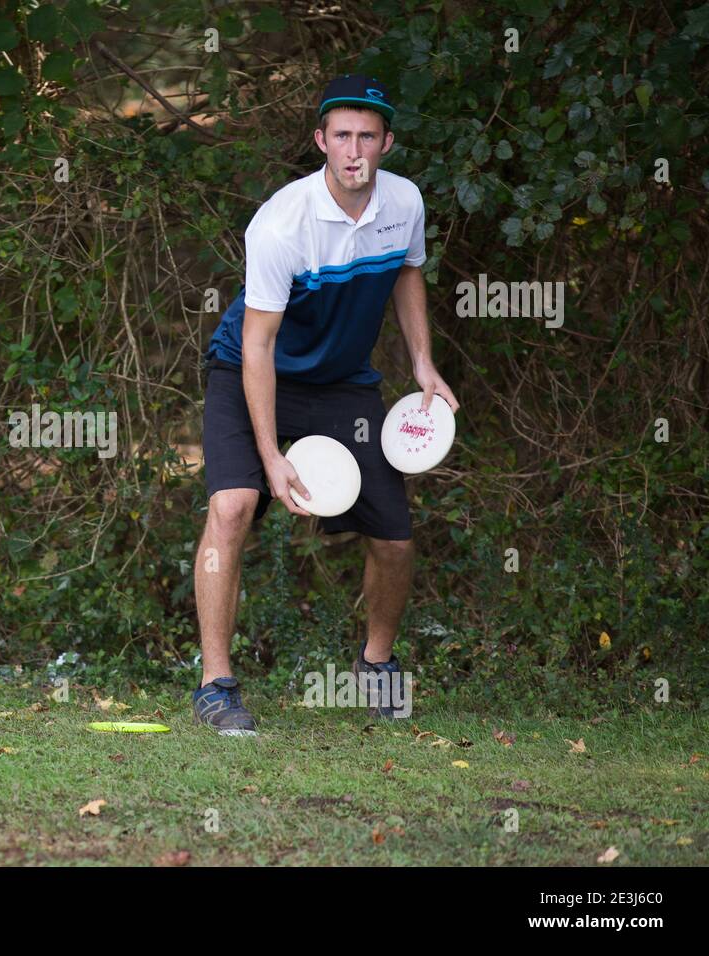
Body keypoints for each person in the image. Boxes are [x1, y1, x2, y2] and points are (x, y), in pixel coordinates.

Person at [192, 73, 459, 734]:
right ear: (320, 141)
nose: (354, 149)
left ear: (386, 142)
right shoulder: (284, 223)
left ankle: (375, 666)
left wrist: (423, 360)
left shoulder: (404, 204)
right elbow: (257, 346)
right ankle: (216, 686)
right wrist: (268, 457)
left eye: (368, 135)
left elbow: (406, 271)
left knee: (395, 539)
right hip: (248, 369)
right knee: (233, 506)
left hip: (341, 385)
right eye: (341, 134)